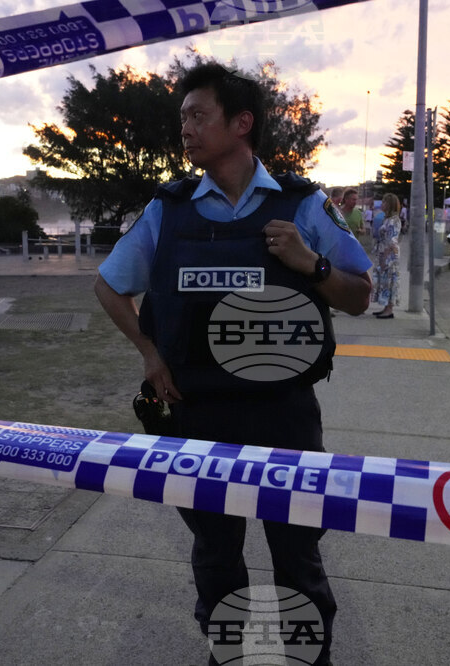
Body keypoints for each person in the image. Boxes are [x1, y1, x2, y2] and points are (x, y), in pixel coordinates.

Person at [93, 62, 372, 666]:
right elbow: (109, 286)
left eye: (199, 115)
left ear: (241, 123)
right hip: (197, 414)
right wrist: (150, 354)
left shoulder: (303, 205)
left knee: (296, 554)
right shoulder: (168, 210)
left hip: (284, 415)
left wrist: (310, 264)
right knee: (216, 556)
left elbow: (360, 296)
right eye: (183, 118)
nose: (186, 128)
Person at [372, 193, 402, 319]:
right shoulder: (387, 219)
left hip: (389, 254)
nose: (382, 204)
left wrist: (385, 257)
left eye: (384, 202)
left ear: (389, 204)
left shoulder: (394, 220)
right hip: (383, 252)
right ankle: (386, 307)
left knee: (389, 281)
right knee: (384, 281)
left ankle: (389, 309)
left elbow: (392, 240)